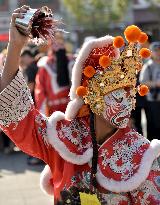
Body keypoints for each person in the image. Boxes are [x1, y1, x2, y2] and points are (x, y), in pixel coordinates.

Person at [0, 6, 160, 204]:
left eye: (131, 93)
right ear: (92, 97)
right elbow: (15, 114)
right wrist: (15, 46)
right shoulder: (63, 139)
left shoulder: (143, 157)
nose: (127, 102)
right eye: (118, 94)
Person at [35, 43, 70, 117]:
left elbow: (40, 91)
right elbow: (40, 91)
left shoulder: (71, 63)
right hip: (56, 108)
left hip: (65, 108)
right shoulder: (44, 66)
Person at [140, 41, 160, 140]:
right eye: (155, 50)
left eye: (159, 50)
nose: (158, 53)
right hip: (153, 101)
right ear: (151, 52)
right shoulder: (148, 66)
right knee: (154, 127)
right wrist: (156, 83)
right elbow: (142, 82)